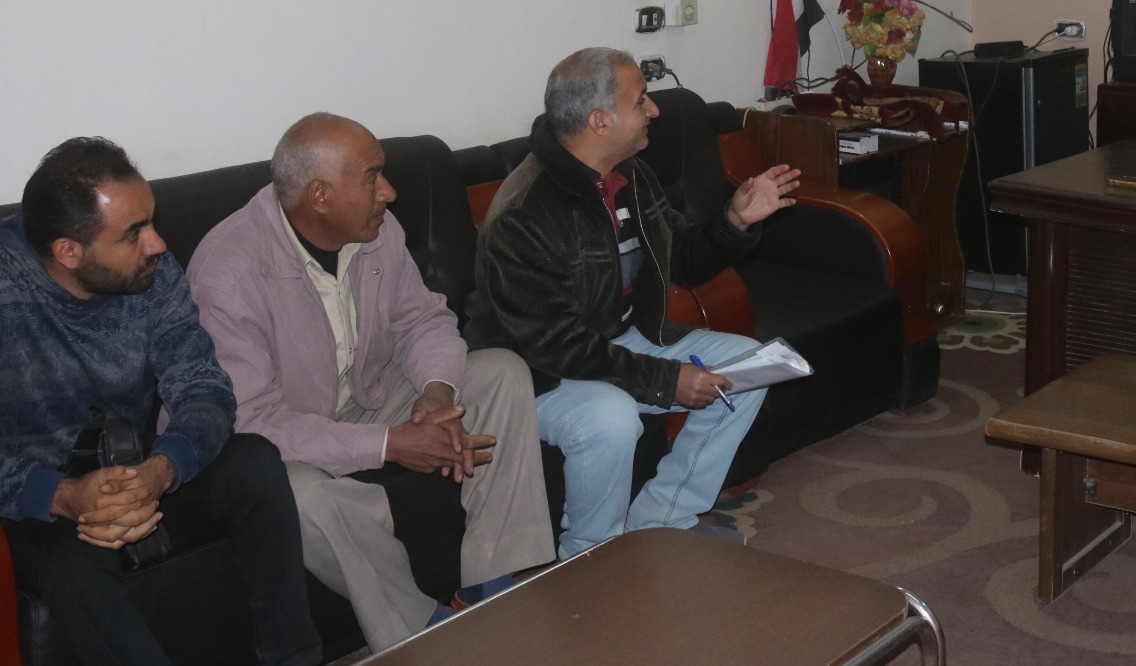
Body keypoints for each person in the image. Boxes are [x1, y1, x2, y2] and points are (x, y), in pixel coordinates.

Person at [187, 114, 555, 652]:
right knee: (300, 495)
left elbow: (422, 321)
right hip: (277, 439)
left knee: (499, 373)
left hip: (366, 397)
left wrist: (436, 393)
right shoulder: (229, 273)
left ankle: (494, 582)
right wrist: (390, 445)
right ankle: (418, 631)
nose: (389, 191)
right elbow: (251, 422)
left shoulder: (377, 231)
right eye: (372, 177)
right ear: (319, 196)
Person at [466, 47, 800, 559]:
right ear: (600, 121)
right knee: (613, 417)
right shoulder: (525, 212)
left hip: (616, 342)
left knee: (747, 367)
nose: (654, 110)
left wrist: (734, 223)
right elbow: (555, 345)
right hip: (536, 374)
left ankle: (661, 522)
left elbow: (680, 258)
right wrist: (666, 380)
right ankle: (591, 554)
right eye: (641, 99)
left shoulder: (629, 175)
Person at [0, 138, 321, 666]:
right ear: (68, 251)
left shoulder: (153, 271)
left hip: (138, 466)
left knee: (254, 462)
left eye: (151, 221)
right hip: (39, 500)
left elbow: (203, 384)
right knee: (68, 561)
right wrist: (59, 495)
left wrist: (161, 469)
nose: (157, 243)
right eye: (133, 232)